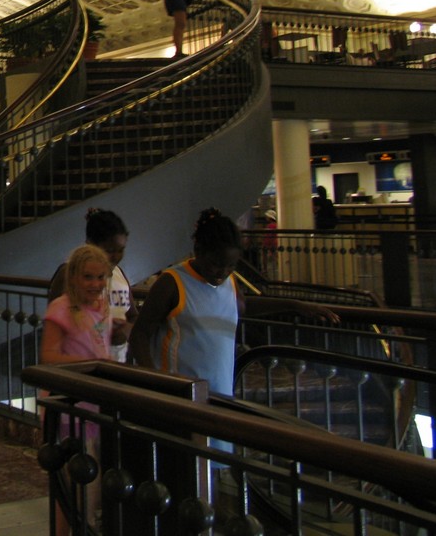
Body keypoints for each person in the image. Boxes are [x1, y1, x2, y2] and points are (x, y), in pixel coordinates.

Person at [130, 208, 339, 401]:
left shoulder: (229, 281)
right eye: (215, 264)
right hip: (179, 395)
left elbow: (241, 307)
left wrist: (295, 305)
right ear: (198, 250)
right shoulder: (172, 282)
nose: (222, 273)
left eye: (231, 265)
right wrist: (158, 381)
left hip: (221, 392)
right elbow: (140, 334)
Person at [40, 244, 114, 533]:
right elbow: (49, 356)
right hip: (70, 410)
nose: (95, 284)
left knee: (90, 487)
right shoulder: (61, 309)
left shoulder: (101, 307)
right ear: (74, 277)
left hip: (94, 406)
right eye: (88, 277)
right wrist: (91, 364)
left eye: (100, 277)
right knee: (72, 487)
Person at [48, 209, 139, 362]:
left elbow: (132, 314)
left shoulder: (118, 273)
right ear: (90, 244)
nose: (116, 257)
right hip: (81, 362)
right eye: (109, 251)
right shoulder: (68, 273)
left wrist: (125, 330)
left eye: (121, 250)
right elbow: (56, 324)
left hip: (117, 359)